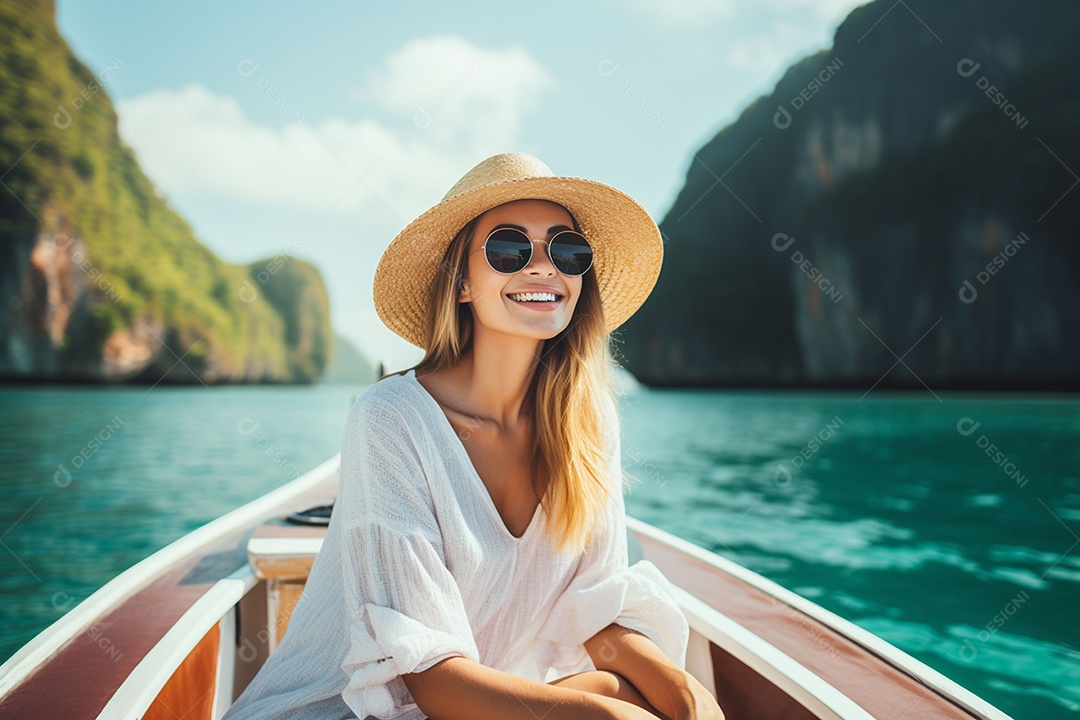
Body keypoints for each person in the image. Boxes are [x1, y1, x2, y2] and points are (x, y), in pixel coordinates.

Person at [222, 153, 725, 720]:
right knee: (609, 709)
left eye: (568, 250)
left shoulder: (589, 422)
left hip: (482, 702)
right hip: (351, 712)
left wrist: (686, 698)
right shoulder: (391, 419)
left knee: (635, 694)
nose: (544, 268)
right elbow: (430, 680)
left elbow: (597, 610)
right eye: (510, 248)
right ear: (461, 281)